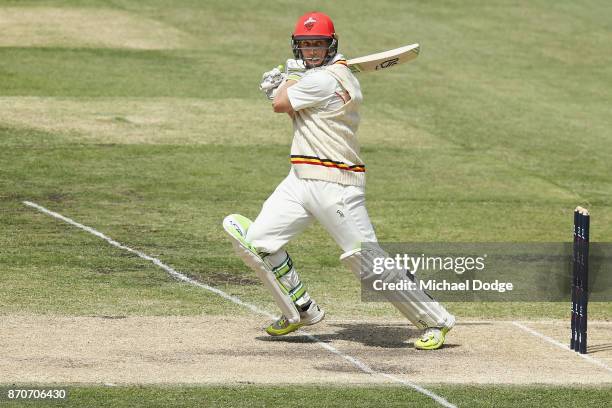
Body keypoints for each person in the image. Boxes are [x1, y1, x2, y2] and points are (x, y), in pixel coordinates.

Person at [223, 11, 455, 350]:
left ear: (331, 46)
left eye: (317, 45)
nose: (311, 50)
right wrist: (289, 84)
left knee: (366, 260)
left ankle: (437, 320)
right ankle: (302, 310)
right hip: (300, 177)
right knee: (259, 242)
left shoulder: (325, 80)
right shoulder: (320, 77)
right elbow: (291, 107)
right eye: (305, 45)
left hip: (336, 182)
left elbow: (281, 104)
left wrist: (287, 78)